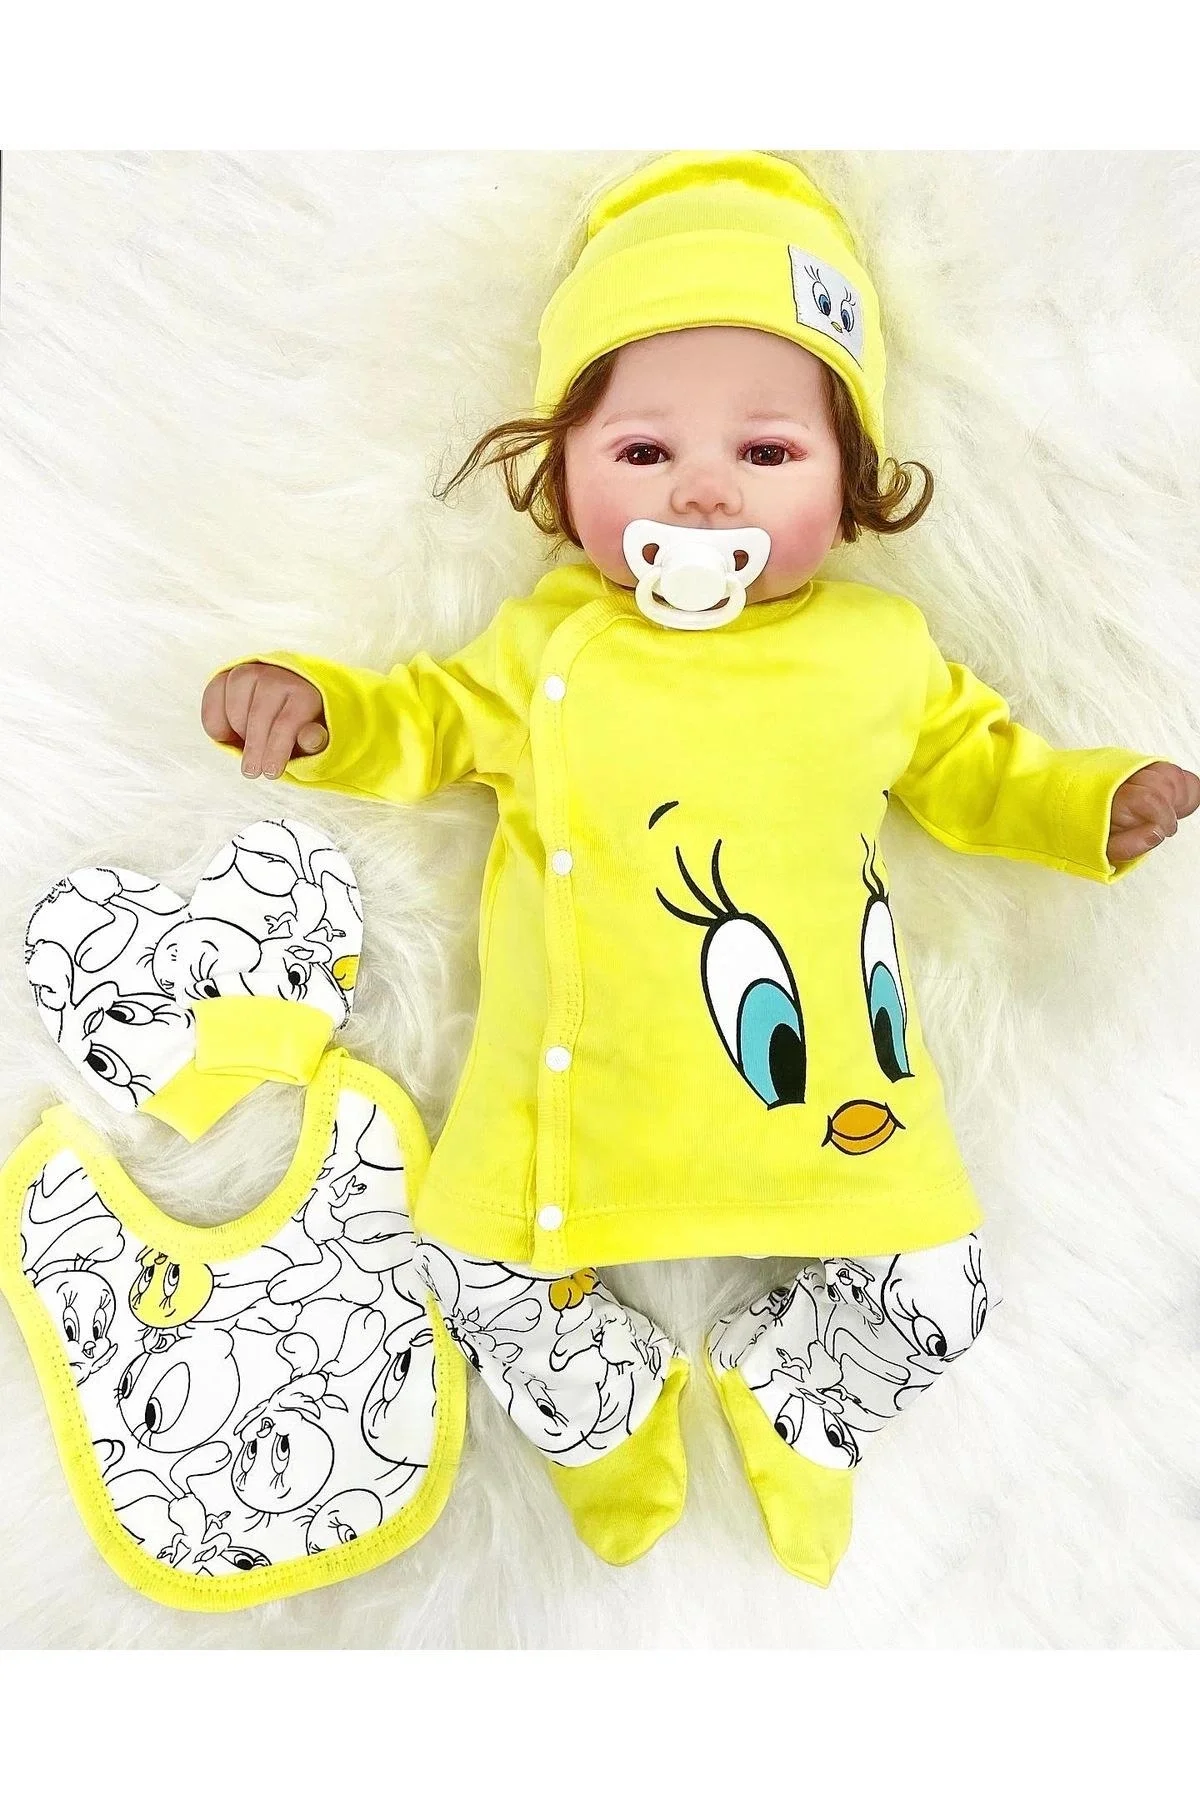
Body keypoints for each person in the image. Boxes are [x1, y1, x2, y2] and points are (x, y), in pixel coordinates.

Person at [201, 151, 1199, 1584]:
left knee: (943, 1292)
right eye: (644, 454)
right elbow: (423, 720)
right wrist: (317, 712)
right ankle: (601, 1395)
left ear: (852, 493)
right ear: (561, 483)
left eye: (769, 455)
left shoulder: (880, 652)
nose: (707, 494)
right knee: (470, 1269)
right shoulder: (549, 647)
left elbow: (986, 773)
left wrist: (1094, 807)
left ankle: (799, 1388)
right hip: (564, 1125)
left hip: (840, 1115)